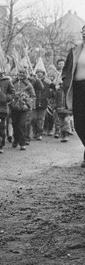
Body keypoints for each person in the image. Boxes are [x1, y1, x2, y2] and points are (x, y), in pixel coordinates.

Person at [60, 24, 85, 167]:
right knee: (79, 124)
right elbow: (66, 70)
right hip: (78, 89)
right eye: (84, 31)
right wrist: (65, 82)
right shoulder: (75, 50)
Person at [9, 66, 36, 151]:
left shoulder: (28, 84)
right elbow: (8, 93)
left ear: (26, 74)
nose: (21, 74)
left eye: (23, 72)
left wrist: (27, 105)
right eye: (20, 72)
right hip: (14, 108)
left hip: (24, 109)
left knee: (22, 125)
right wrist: (10, 100)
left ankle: (22, 143)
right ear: (17, 73)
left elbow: (33, 96)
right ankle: (16, 139)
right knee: (14, 124)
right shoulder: (12, 83)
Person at [0, 69, 14, 153]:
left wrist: (5, 98)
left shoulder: (7, 81)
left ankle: (0, 145)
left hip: (1, 109)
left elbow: (12, 92)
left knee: (0, 127)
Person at [30, 62, 53, 141]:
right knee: (33, 119)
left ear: (43, 73)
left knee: (41, 119)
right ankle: (34, 131)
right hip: (34, 103)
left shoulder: (47, 82)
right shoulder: (32, 81)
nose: (39, 74)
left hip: (43, 103)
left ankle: (39, 133)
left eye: (41, 72)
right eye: (38, 72)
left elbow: (51, 91)